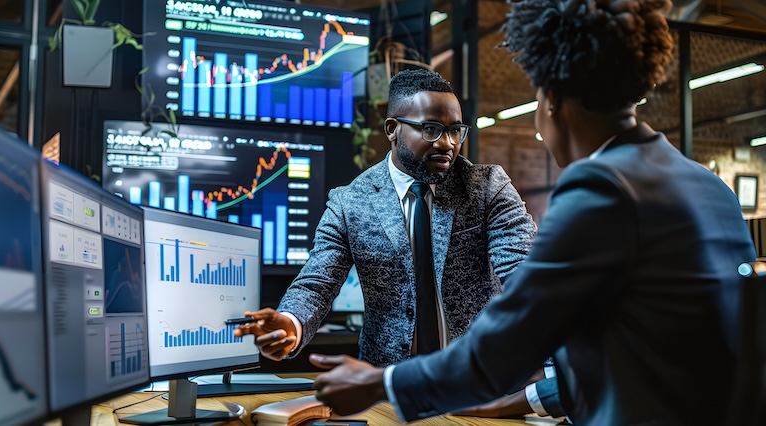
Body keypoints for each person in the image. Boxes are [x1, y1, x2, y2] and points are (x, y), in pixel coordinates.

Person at [308, 0, 758, 424]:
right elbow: (656, 347)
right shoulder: (707, 185)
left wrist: (380, 383)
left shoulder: (601, 187)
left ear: (552, 100)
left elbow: (514, 338)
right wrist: (529, 400)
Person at [234, 68, 537, 370]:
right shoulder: (350, 202)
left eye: (454, 130)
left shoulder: (486, 186)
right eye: (431, 129)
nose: (447, 143)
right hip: (385, 386)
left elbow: (524, 275)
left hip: (481, 379)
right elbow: (317, 283)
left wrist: (554, 372)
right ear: (392, 128)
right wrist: (290, 324)